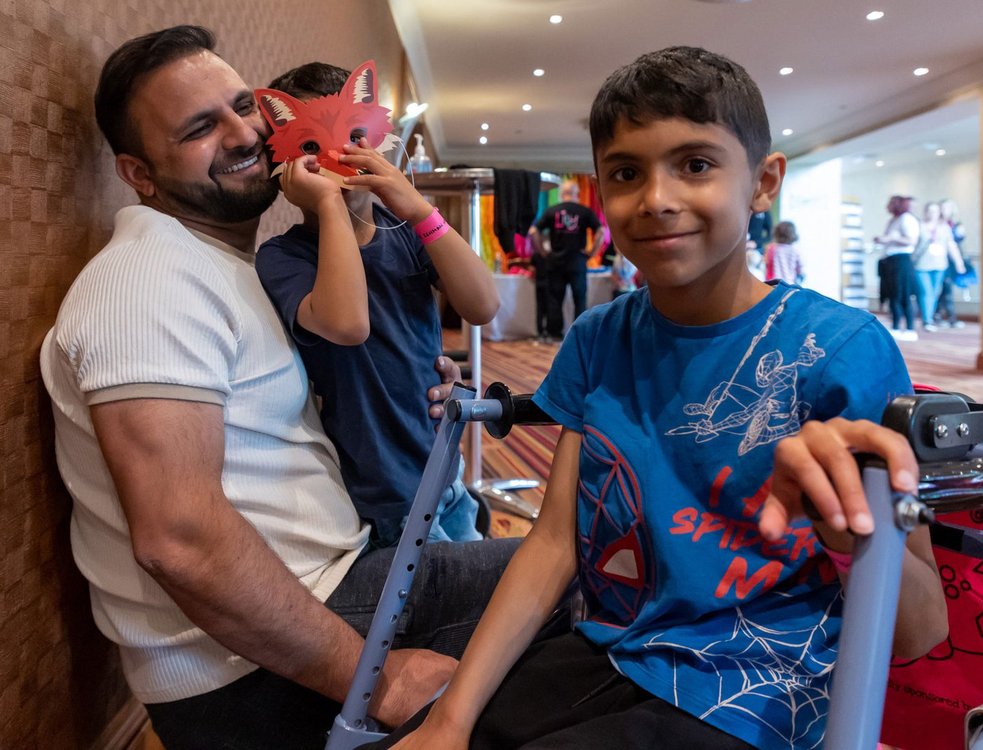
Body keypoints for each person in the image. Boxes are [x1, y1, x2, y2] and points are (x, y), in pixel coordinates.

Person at [373, 45, 947, 750]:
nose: (656, 198)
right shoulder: (598, 337)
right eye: (625, 173)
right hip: (615, 648)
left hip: (759, 690)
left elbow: (924, 630)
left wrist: (851, 532)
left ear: (764, 183)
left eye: (696, 164)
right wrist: (452, 719)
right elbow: (553, 542)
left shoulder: (843, 351)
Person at [38, 26, 516, 749]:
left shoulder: (227, 266)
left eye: (242, 107)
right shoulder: (145, 284)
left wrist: (428, 371)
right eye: (201, 127)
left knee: (582, 568)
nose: (244, 134)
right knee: (578, 581)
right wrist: (374, 679)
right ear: (139, 173)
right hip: (262, 660)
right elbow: (180, 541)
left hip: (343, 577)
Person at [255, 62, 499, 547]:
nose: (339, 155)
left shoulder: (405, 231)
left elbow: (483, 304)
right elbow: (349, 325)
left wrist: (420, 210)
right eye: (310, 148)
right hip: (383, 491)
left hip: (444, 466)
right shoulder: (284, 258)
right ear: (285, 167)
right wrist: (328, 204)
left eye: (356, 137)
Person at [529, 180, 607, 340]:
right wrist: (592, 253)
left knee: (555, 299)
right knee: (580, 298)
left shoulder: (551, 211)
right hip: (577, 261)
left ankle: (554, 334)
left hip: (555, 261)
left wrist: (543, 252)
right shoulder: (584, 211)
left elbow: (532, 231)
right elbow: (601, 232)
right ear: (576, 194)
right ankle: (581, 334)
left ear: (561, 194)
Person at [914, 201, 964, 332]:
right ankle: (927, 320)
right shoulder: (919, 226)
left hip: (939, 265)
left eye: (935, 211)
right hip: (921, 265)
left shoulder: (944, 228)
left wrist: (959, 262)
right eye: (930, 211)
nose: (933, 214)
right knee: (926, 292)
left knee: (935, 293)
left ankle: (929, 317)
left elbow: (951, 245)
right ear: (925, 212)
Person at [875, 195, 920, 341]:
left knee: (903, 295)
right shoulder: (893, 220)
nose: (886, 206)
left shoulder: (907, 219)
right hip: (891, 260)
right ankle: (895, 326)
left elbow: (911, 240)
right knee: (893, 295)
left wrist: (891, 239)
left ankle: (910, 328)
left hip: (901, 260)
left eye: (889, 203)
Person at [934, 198, 969, 328]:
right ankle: (944, 316)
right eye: (942, 208)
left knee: (947, 289)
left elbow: (958, 242)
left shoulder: (956, 225)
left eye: (947, 208)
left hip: (951, 262)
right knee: (941, 290)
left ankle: (946, 316)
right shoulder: (935, 224)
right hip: (938, 260)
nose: (944, 211)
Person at [764, 220, 804, 284]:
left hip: (773, 283)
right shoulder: (795, 251)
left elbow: (767, 262)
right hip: (789, 284)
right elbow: (799, 268)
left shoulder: (771, 248)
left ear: (776, 233)